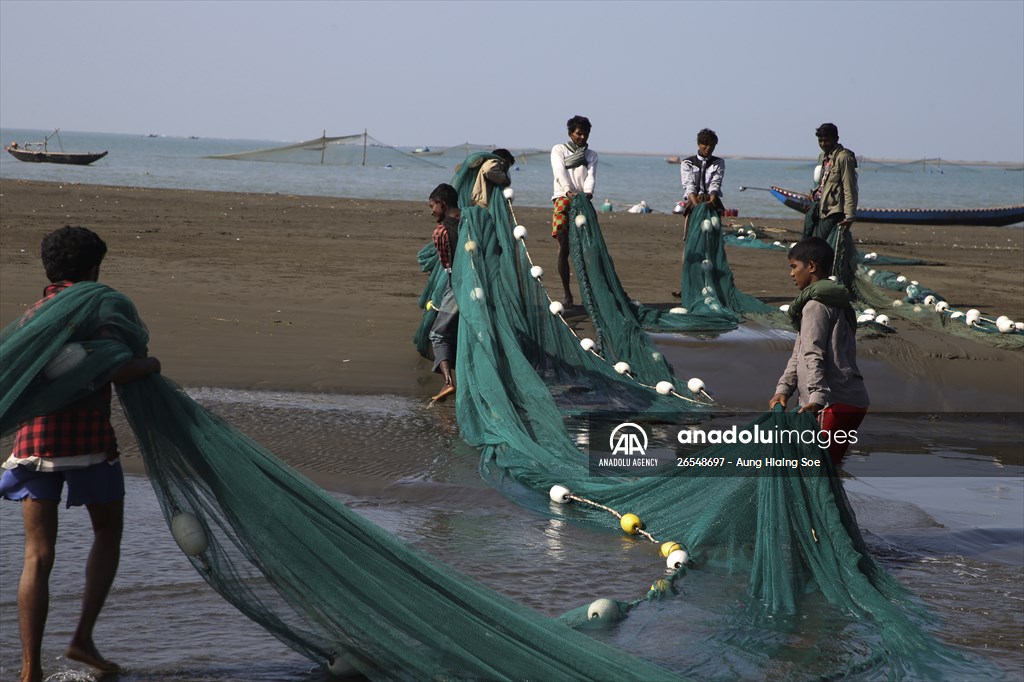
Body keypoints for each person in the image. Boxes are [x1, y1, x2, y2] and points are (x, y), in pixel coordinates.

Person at [1, 226, 161, 682]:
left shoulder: (33, 316)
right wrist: (151, 364)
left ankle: (30, 670)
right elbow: (118, 366)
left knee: (37, 555)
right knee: (108, 531)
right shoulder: (98, 309)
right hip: (88, 441)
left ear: (47, 269)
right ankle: (82, 638)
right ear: (94, 270)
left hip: (33, 445)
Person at [768, 237, 869, 468]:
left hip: (831, 403)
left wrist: (816, 399)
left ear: (811, 266)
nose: (791, 274)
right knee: (825, 472)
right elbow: (800, 352)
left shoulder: (815, 306)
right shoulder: (838, 301)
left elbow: (812, 354)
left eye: (794, 267)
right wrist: (783, 389)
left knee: (813, 474)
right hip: (852, 401)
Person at [802, 122, 858, 291]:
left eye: (826, 140)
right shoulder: (823, 157)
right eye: (820, 140)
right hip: (819, 207)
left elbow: (850, 188)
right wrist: (813, 192)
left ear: (836, 139)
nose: (823, 144)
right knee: (806, 241)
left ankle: (820, 283)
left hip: (834, 210)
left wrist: (849, 215)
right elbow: (821, 182)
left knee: (819, 247)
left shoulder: (844, 158)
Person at [550, 115, 598, 308]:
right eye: (578, 133)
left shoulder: (591, 155)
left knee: (589, 248)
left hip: (582, 201)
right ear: (571, 133)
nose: (582, 137)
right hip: (562, 198)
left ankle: (590, 293)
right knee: (563, 248)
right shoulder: (559, 149)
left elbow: (591, 176)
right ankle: (567, 294)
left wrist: (587, 193)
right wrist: (568, 191)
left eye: (585, 133)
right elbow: (559, 171)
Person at [426, 183, 462, 402]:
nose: (431, 211)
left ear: (442, 204)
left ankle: (448, 383)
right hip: (483, 286)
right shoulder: (472, 220)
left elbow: (446, 264)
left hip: (457, 287)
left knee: (438, 335)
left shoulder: (441, 231)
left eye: (432, 206)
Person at [679, 128, 725, 241]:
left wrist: (712, 200)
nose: (708, 148)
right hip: (695, 200)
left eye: (712, 145)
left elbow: (716, 183)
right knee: (692, 237)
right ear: (699, 144)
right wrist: (695, 204)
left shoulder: (719, 162)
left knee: (712, 234)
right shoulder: (687, 163)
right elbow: (689, 185)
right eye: (705, 145)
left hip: (712, 200)